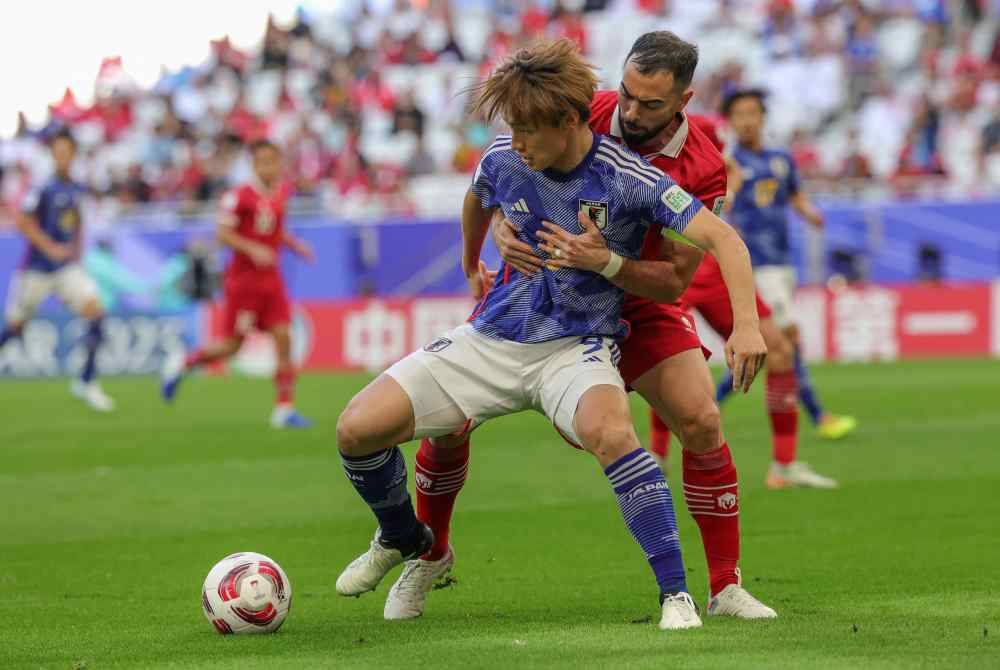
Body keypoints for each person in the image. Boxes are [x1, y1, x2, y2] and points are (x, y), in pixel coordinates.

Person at [333, 39, 766, 631]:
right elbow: (496, 182)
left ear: (683, 100)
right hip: (519, 307)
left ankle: (720, 587)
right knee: (443, 424)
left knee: (697, 420)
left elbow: (674, 282)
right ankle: (423, 550)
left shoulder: (698, 166)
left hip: (627, 303)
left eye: (650, 105)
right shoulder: (571, 110)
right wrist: (497, 237)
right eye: (629, 95)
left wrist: (739, 322)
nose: (631, 113)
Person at [713, 89, 856, 444]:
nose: (746, 120)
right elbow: (718, 205)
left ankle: (707, 405)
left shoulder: (780, 159)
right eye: (739, 114)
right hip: (753, 265)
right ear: (730, 122)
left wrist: (808, 212)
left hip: (781, 262)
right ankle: (819, 416)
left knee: (773, 347)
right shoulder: (728, 162)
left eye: (752, 113)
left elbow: (794, 193)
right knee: (786, 342)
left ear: (762, 117)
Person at [160, 139, 314, 429]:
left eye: (274, 161)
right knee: (232, 347)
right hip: (244, 283)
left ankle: (284, 409)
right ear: (254, 165)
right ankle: (183, 362)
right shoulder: (239, 196)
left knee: (284, 338)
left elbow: (275, 231)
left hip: (272, 281)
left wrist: (295, 245)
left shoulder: (281, 192)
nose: (270, 167)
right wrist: (252, 249)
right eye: (263, 161)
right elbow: (222, 234)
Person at [0, 129, 113, 411]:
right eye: (57, 151)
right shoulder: (42, 188)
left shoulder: (76, 189)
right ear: (52, 155)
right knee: (15, 328)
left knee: (97, 312)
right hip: (36, 270)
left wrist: (76, 252)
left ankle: (86, 381)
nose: (62, 156)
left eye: (67, 151)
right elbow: (23, 221)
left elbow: (76, 224)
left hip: (64, 269)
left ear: (73, 154)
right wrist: (49, 246)